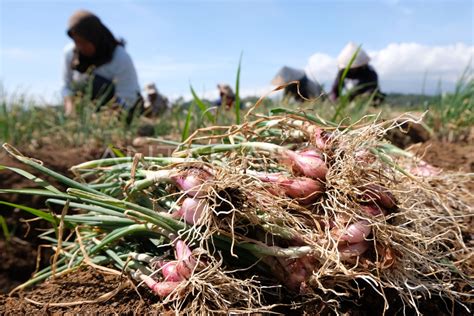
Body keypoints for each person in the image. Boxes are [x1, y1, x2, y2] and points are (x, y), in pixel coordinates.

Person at [61, 10, 142, 123]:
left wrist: (104, 118)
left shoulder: (120, 57)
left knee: (96, 83)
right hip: (87, 112)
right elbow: (67, 86)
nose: (80, 47)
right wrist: (70, 107)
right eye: (76, 41)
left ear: (95, 37)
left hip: (117, 111)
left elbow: (128, 95)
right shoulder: (70, 54)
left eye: (84, 42)